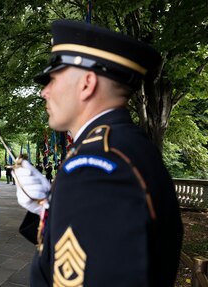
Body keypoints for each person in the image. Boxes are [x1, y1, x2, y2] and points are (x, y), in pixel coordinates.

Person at [13, 20, 183, 286]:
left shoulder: (94, 168)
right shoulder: (124, 146)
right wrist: (47, 206)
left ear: (86, 83)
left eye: (53, 78)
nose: (44, 91)